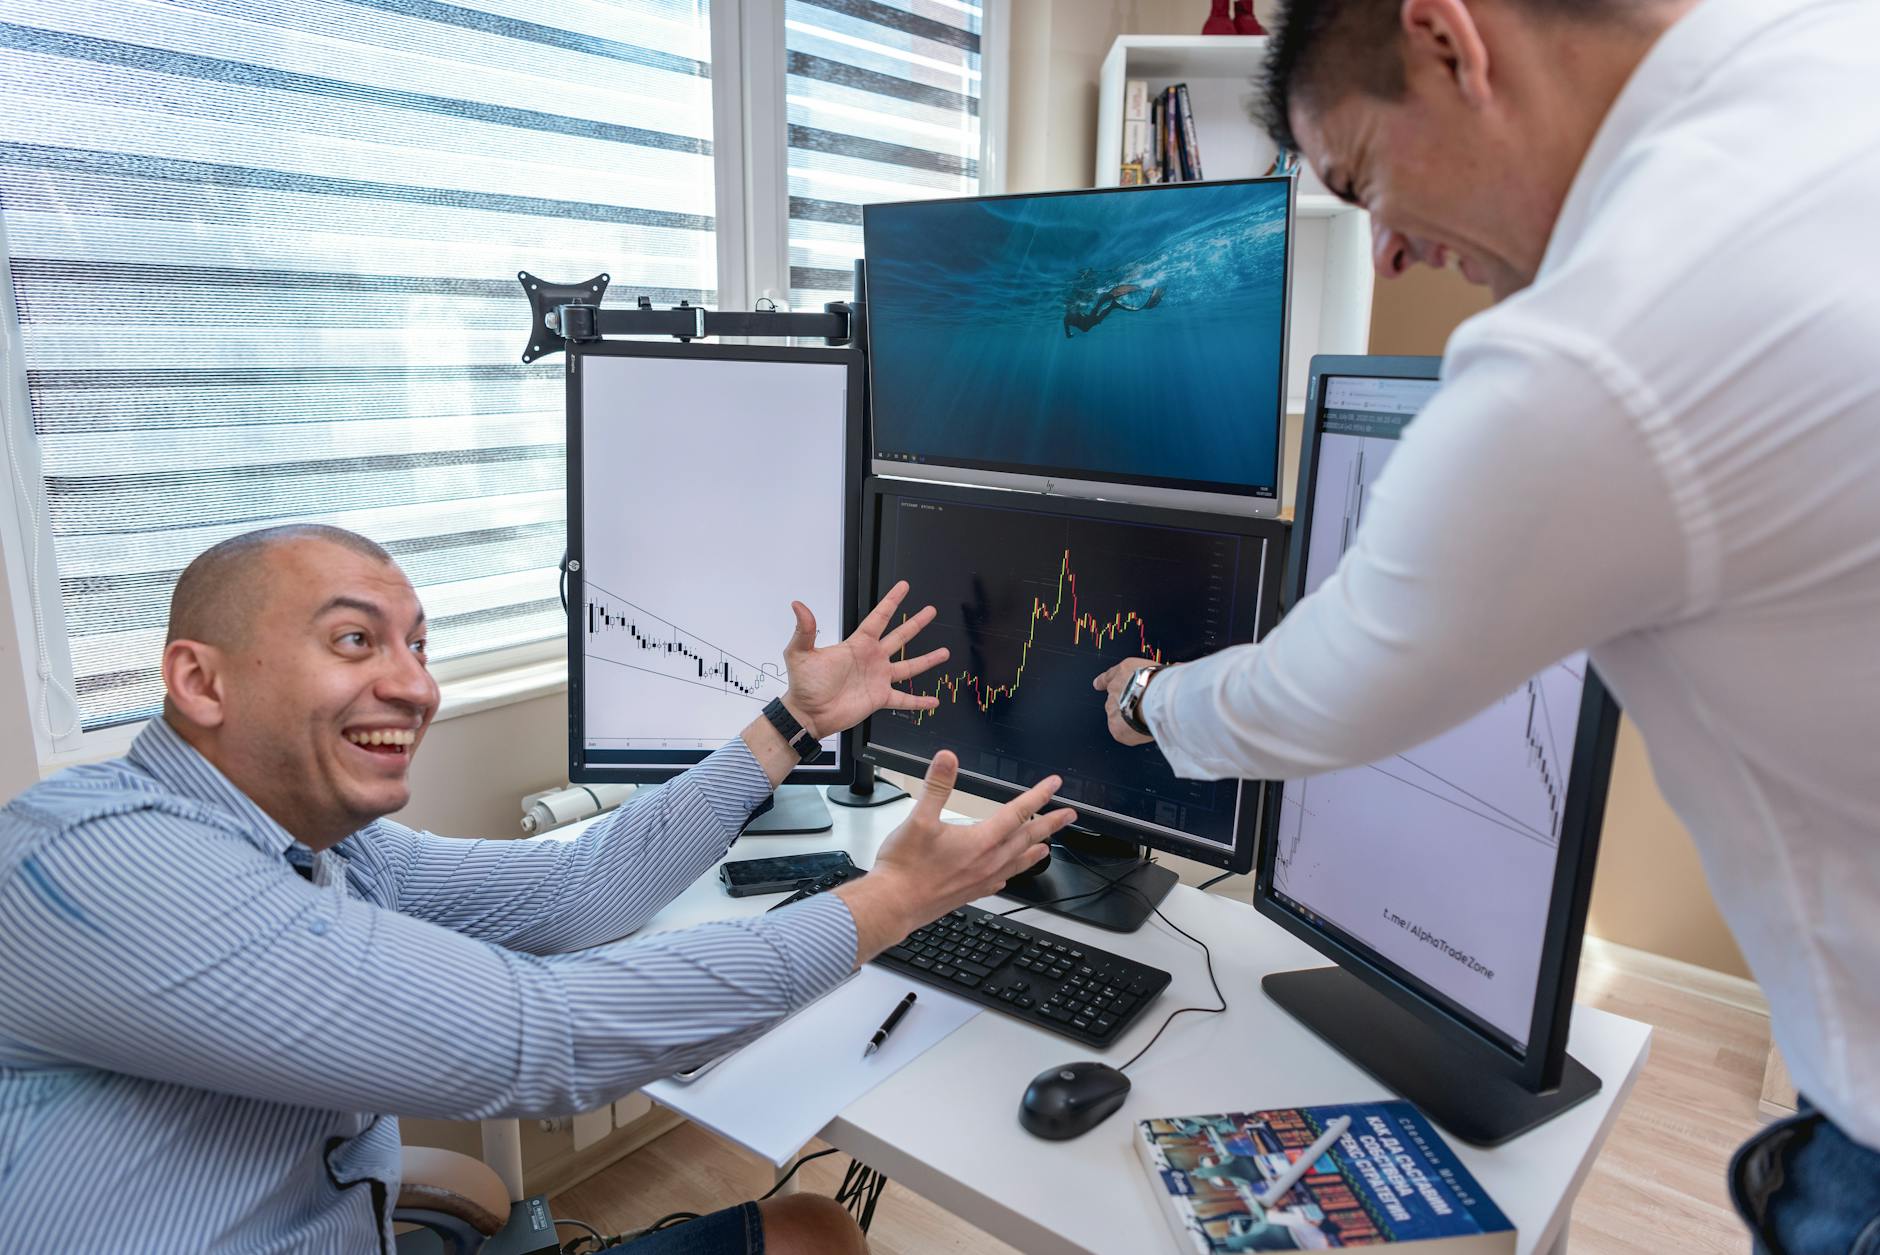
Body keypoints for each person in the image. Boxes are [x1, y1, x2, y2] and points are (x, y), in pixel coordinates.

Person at [1093, 0, 1880, 1250]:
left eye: (1362, 181)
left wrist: (1147, 697)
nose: (1387, 255)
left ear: (1446, 41)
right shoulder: (1826, 55)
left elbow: (1326, 688)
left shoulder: (1602, 338)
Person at [0, 525, 1072, 1253]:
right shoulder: (100, 863)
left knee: (811, 1233)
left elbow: (576, 890)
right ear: (200, 681)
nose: (415, 684)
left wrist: (789, 723)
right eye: (354, 640)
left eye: (419, 646)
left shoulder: (328, 843)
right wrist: (890, 901)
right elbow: (543, 1036)